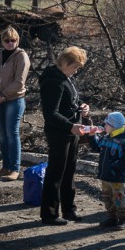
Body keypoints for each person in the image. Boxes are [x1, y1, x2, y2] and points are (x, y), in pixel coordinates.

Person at [38, 46, 90, 225]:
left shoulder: (66, 78)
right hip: (59, 132)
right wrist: (70, 126)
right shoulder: (54, 81)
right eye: (75, 67)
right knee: (56, 173)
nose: (76, 71)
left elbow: (71, 100)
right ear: (65, 63)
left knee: (69, 172)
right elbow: (50, 113)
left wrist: (82, 107)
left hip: (72, 130)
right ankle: (49, 214)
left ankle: (69, 209)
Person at [0, 26, 30, 181]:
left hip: (14, 100)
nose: (10, 43)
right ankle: (5, 166)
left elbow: (20, 82)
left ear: (17, 40)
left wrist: (3, 95)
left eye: (13, 40)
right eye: (7, 40)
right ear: (2, 42)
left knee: (12, 133)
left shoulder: (21, 56)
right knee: (2, 135)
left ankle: (15, 169)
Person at [90, 111, 125, 230]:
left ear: (114, 126)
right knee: (107, 197)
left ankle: (123, 219)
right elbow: (96, 147)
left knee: (118, 197)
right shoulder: (106, 138)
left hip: (115, 177)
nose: (104, 126)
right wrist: (91, 136)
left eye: (107, 124)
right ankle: (112, 218)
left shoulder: (124, 142)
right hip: (105, 175)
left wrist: (114, 167)